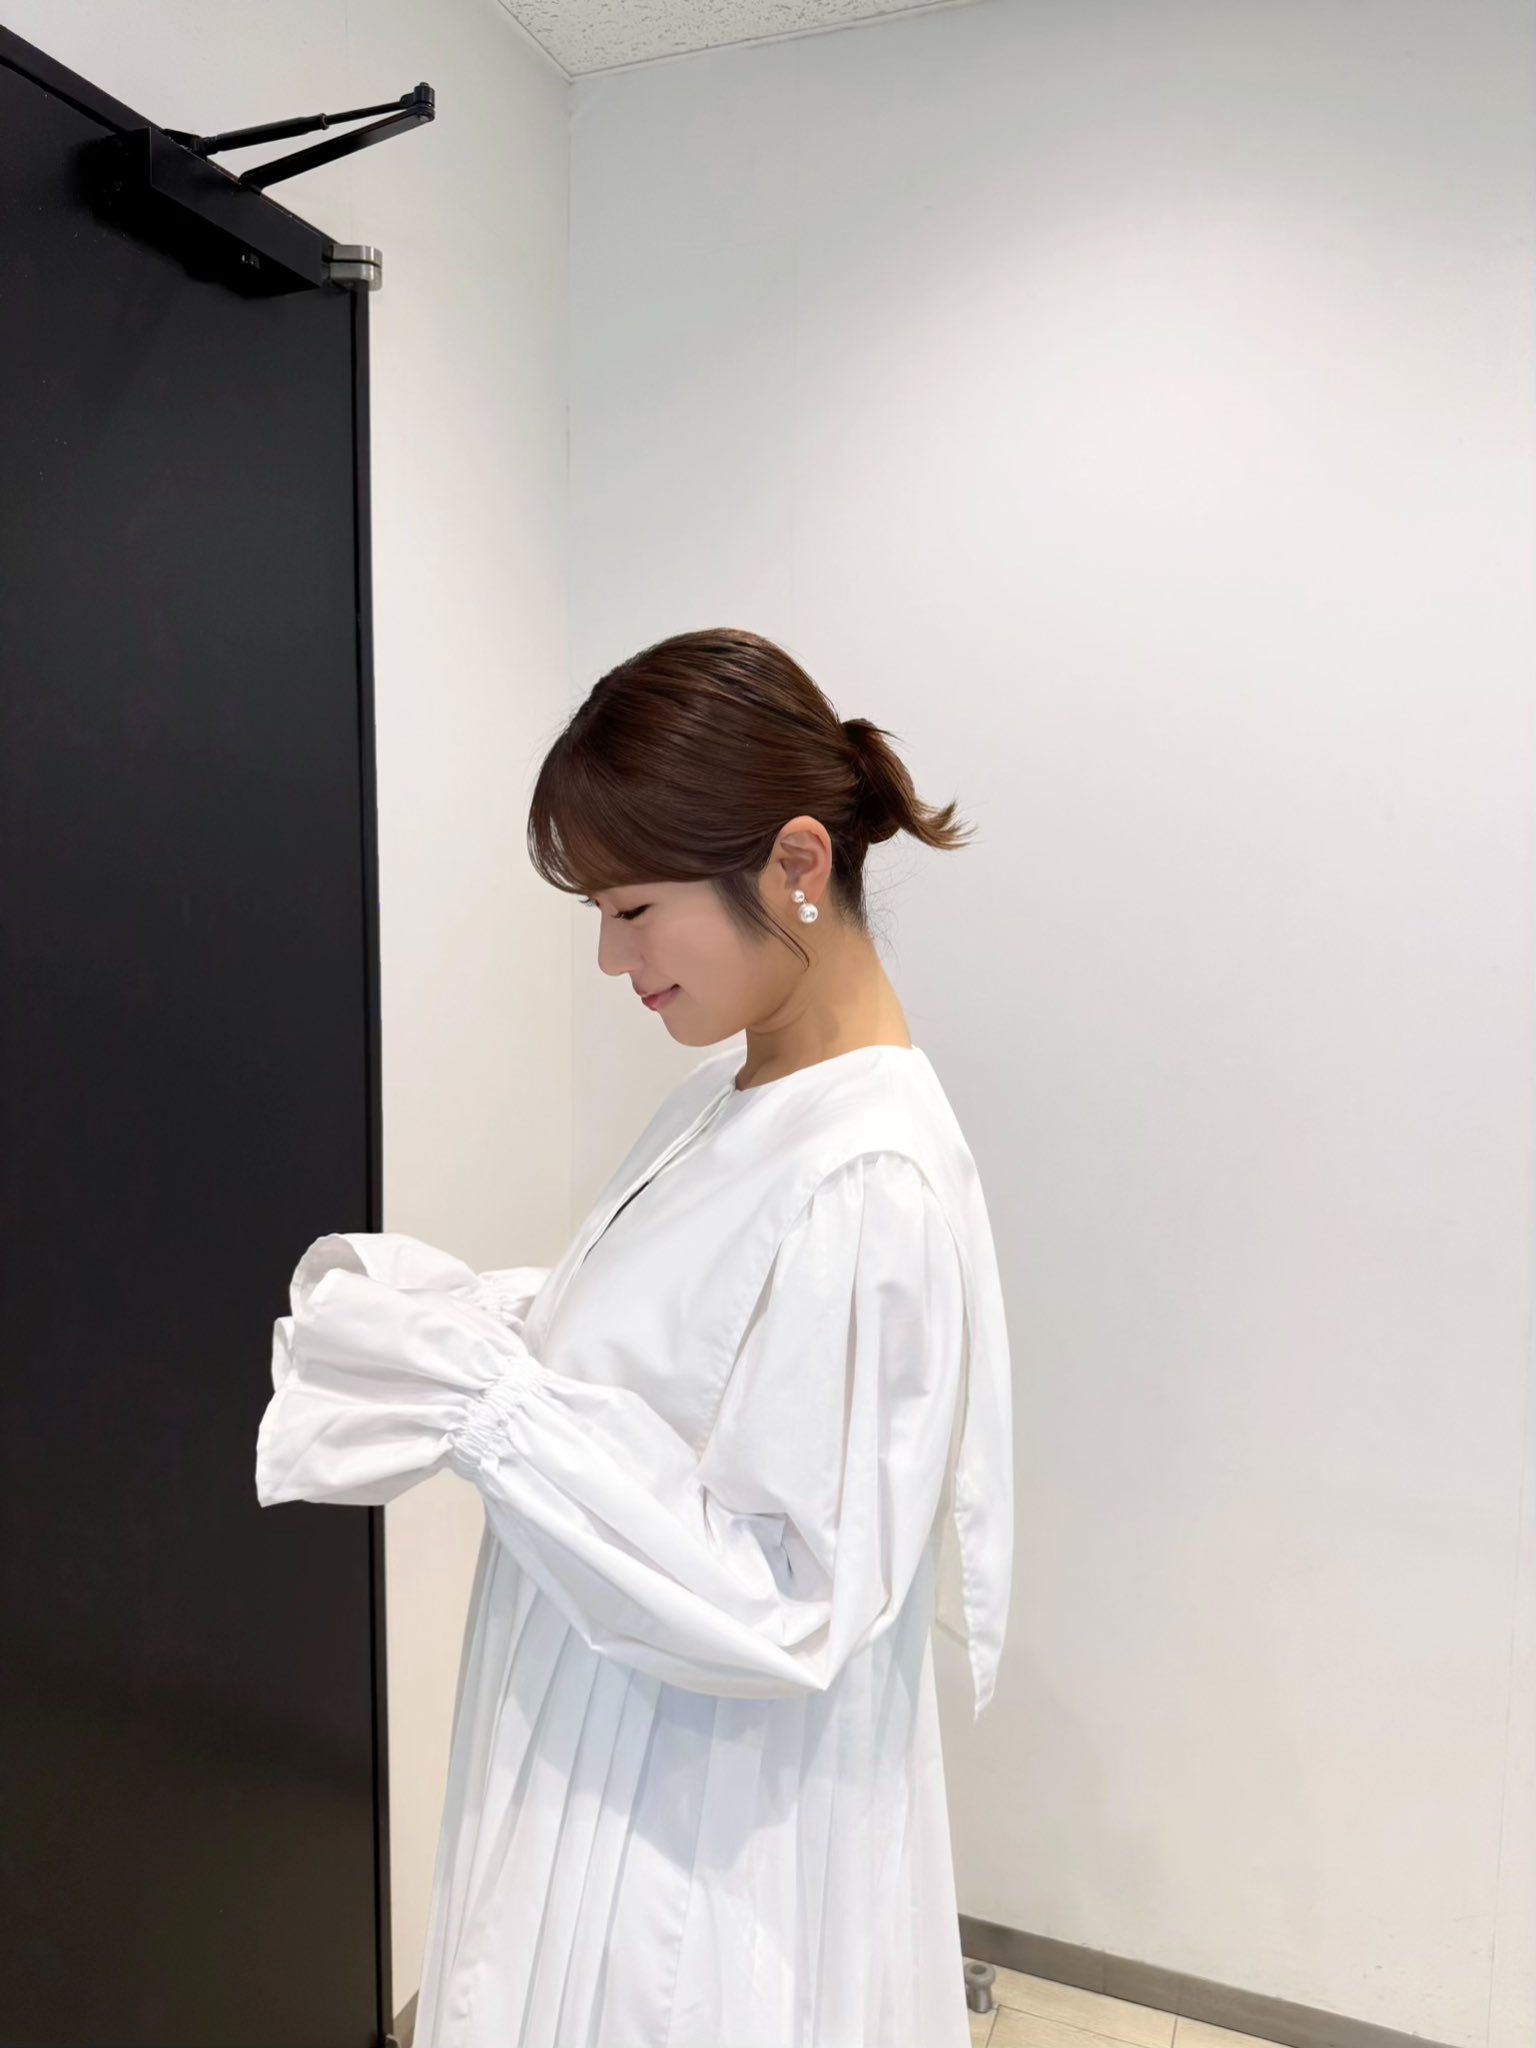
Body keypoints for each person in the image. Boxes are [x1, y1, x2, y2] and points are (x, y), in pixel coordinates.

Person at [254, 627, 1014, 2048]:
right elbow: (680, 1354)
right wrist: (483, 1333)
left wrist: (496, 1408)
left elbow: (790, 1600)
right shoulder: (741, 1097)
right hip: (617, 1746)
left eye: (633, 909)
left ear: (795, 864)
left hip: (691, 1824)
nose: (612, 957)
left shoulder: (865, 1177)